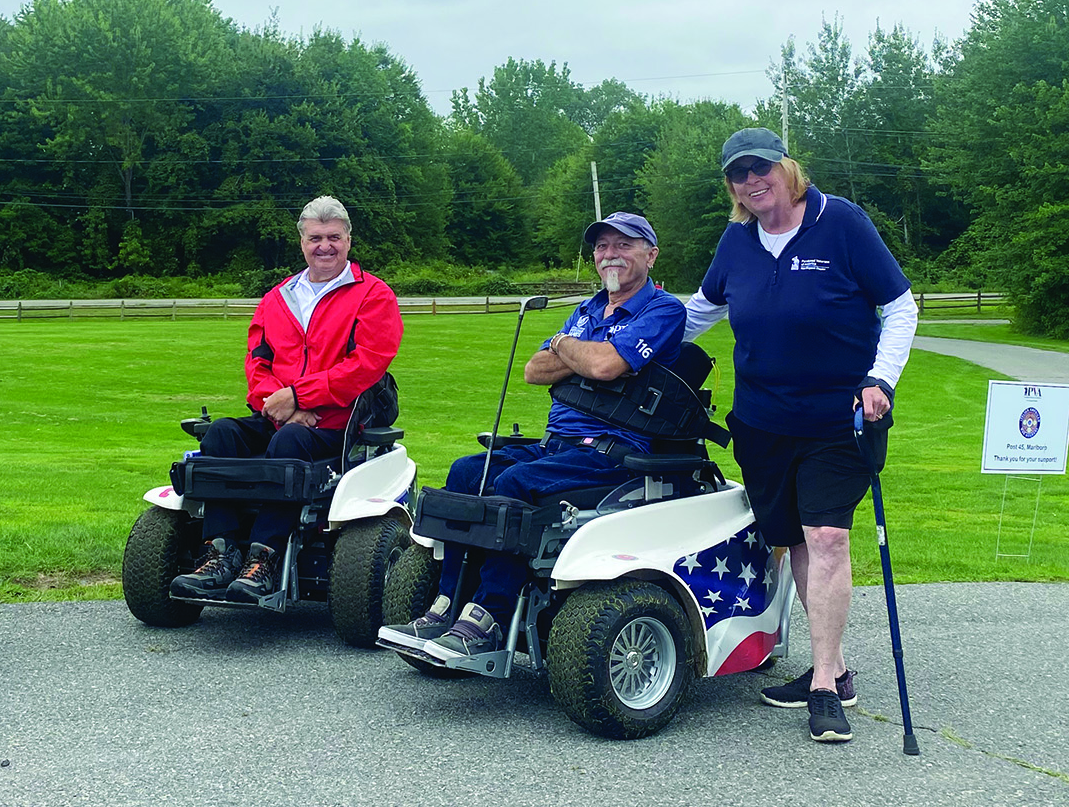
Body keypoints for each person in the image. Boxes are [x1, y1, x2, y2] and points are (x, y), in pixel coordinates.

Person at [684, 127, 918, 743]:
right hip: (763, 422)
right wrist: (632, 338)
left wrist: (881, 380)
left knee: (828, 535)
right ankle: (833, 668)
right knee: (796, 543)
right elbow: (702, 310)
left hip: (840, 418)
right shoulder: (737, 240)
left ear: (788, 168)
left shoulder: (840, 223)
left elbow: (900, 307)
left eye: (761, 167)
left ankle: (821, 692)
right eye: (738, 174)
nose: (751, 181)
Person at [384, 212, 685, 661]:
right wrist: (583, 353)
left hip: (613, 450)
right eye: (603, 246)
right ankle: (447, 604)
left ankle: (487, 618)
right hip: (557, 443)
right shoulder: (585, 310)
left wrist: (564, 347)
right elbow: (533, 370)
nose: (610, 255)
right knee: (467, 472)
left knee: (514, 485)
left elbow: (605, 366)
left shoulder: (663, 309)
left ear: (651, 254)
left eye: (624, 245)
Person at [169, 196, 402, 604]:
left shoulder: (373, 296)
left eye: (334, 237)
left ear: (348, 240)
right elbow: (257, 361)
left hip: (337, 425)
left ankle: (265, 558)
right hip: (280, 416)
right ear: (302, 242)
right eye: (316, 238)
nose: (324, 246)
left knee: (288, 444)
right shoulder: (278, 298)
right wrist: (280, 404)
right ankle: (219, 554)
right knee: (222, 434)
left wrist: (300, 396)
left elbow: (368, 364)